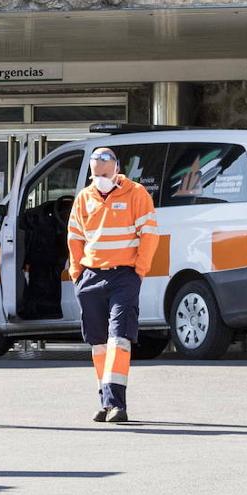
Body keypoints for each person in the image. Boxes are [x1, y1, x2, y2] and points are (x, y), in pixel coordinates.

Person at [67, 147, 160, 423]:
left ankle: (117, 403)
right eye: (96, 174)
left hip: (124, 276)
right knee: (98, 344)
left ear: (117, 169)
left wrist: (139, 270)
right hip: (91, 276)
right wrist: (77, 273)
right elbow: (74, 238)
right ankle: (106, 400)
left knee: (119, 338)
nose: (100, 178)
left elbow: (150, 235)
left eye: (105, 173)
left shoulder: (136, 194)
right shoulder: (85, 198)